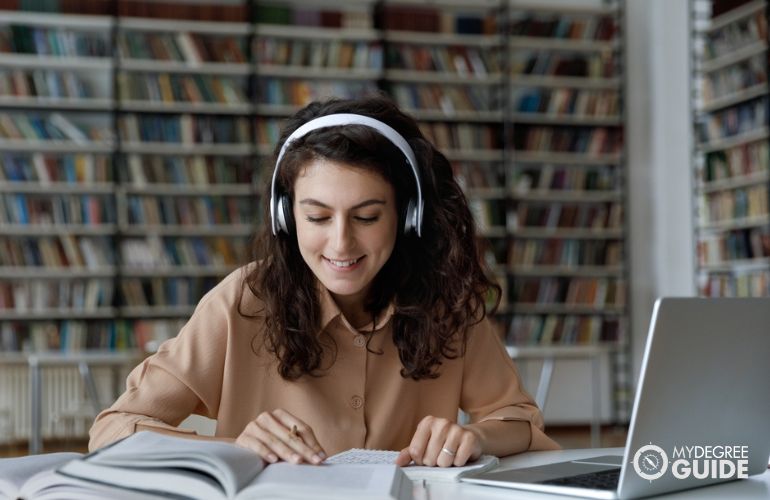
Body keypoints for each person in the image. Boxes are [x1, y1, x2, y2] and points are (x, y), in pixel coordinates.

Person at [89, 95, 559, 467]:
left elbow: (519, 421)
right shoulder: (243, 301)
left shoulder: (447, 302)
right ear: (286, 216)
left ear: (408, 215)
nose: (340, 244)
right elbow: (114, 428)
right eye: (317, 216)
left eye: (367, 216)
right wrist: (232, 447)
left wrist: (474, 436)